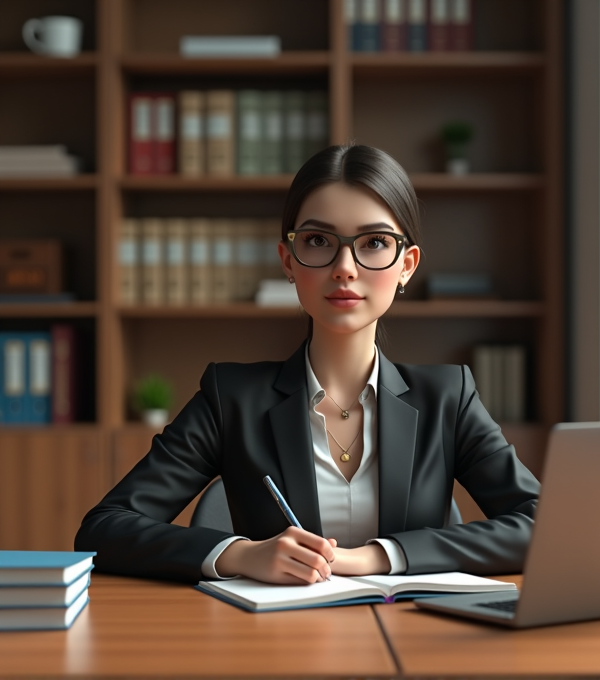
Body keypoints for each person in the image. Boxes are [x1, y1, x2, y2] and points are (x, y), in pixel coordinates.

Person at [75, 144, 540, 584]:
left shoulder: (449, 398)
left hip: (413, 644)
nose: (345, 267)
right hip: (279, 647)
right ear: (288, 260)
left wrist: (380, 556)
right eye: (319, 240)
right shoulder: (231, 397)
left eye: (374, 242)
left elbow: (541, 523)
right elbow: (104, 528)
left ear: (407, 265)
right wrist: (240, 554)